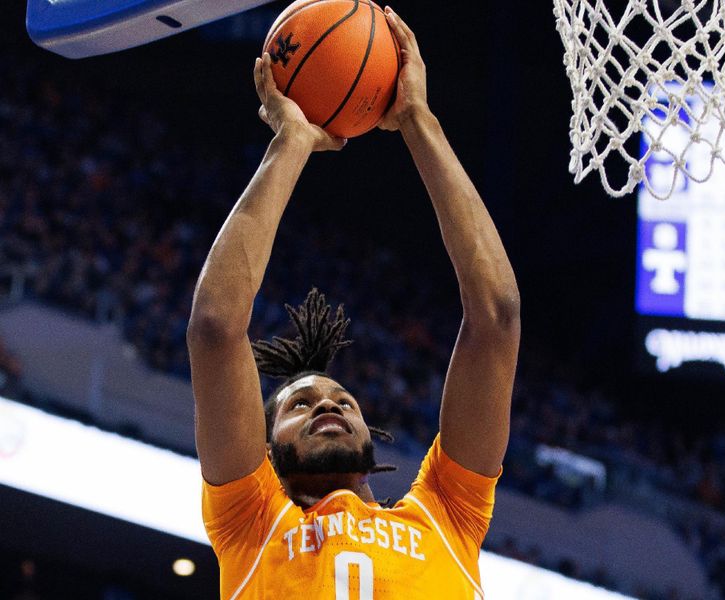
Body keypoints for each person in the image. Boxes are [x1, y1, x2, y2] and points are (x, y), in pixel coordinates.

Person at [187, 6, 520, 599]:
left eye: (341, 398)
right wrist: (292, 141)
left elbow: (496, 318)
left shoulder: (449, 518)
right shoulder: (250, 523)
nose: (327, 405)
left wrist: (419, 120)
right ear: (264, 453)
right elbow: (216, 326)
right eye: (299, 405)